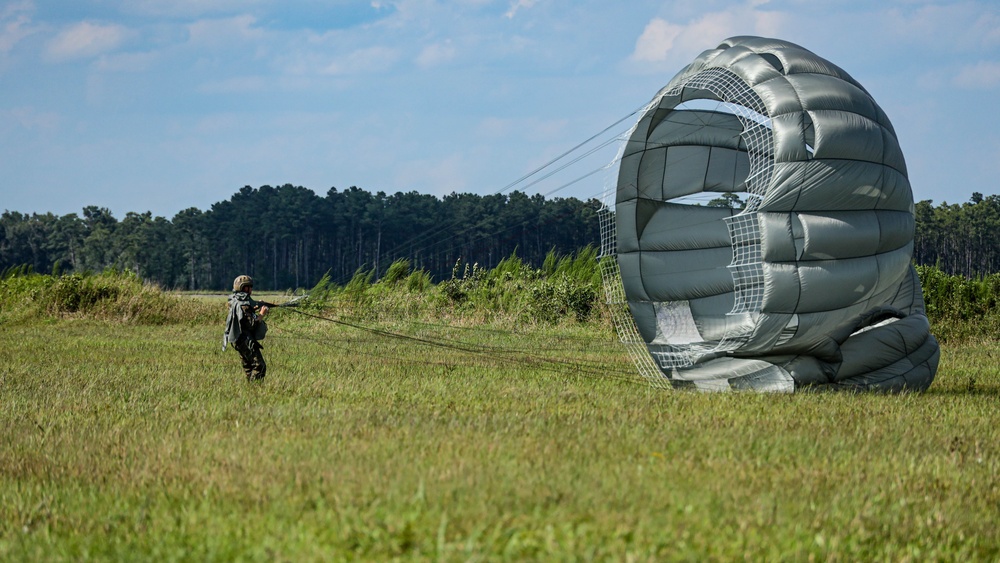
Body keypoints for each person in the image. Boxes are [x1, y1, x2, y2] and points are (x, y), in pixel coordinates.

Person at [223, 274, 269, 381]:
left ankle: (251, 391)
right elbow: (251, 324)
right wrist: (261, 314)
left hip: (238, 340)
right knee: (259, 366)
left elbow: (245, 314)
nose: (251, 290)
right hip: (245, 340)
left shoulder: (235, 300)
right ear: (243, 288)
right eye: (249, 287)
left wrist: (255, 307)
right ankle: (255, 386)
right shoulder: (243, 305)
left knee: (249, 367)